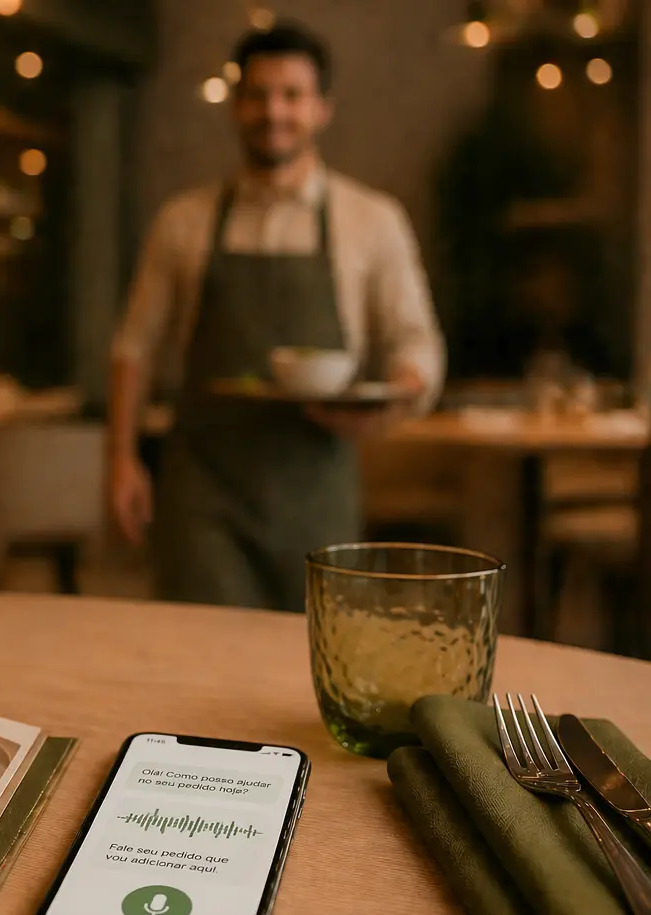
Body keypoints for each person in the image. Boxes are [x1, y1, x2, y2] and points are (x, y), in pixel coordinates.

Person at [106, 20, 445, 613]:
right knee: (197, 655)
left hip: (318, 493)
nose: (274, 112)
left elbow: (415, 341)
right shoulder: (183, 220)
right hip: (203, 493)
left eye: (292, 95)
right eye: (258, 95)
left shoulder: (372, 219)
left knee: (313, 668)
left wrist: (392, 398)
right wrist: (121, 461)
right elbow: (134, 345)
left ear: (322, 109)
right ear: (236, 106)